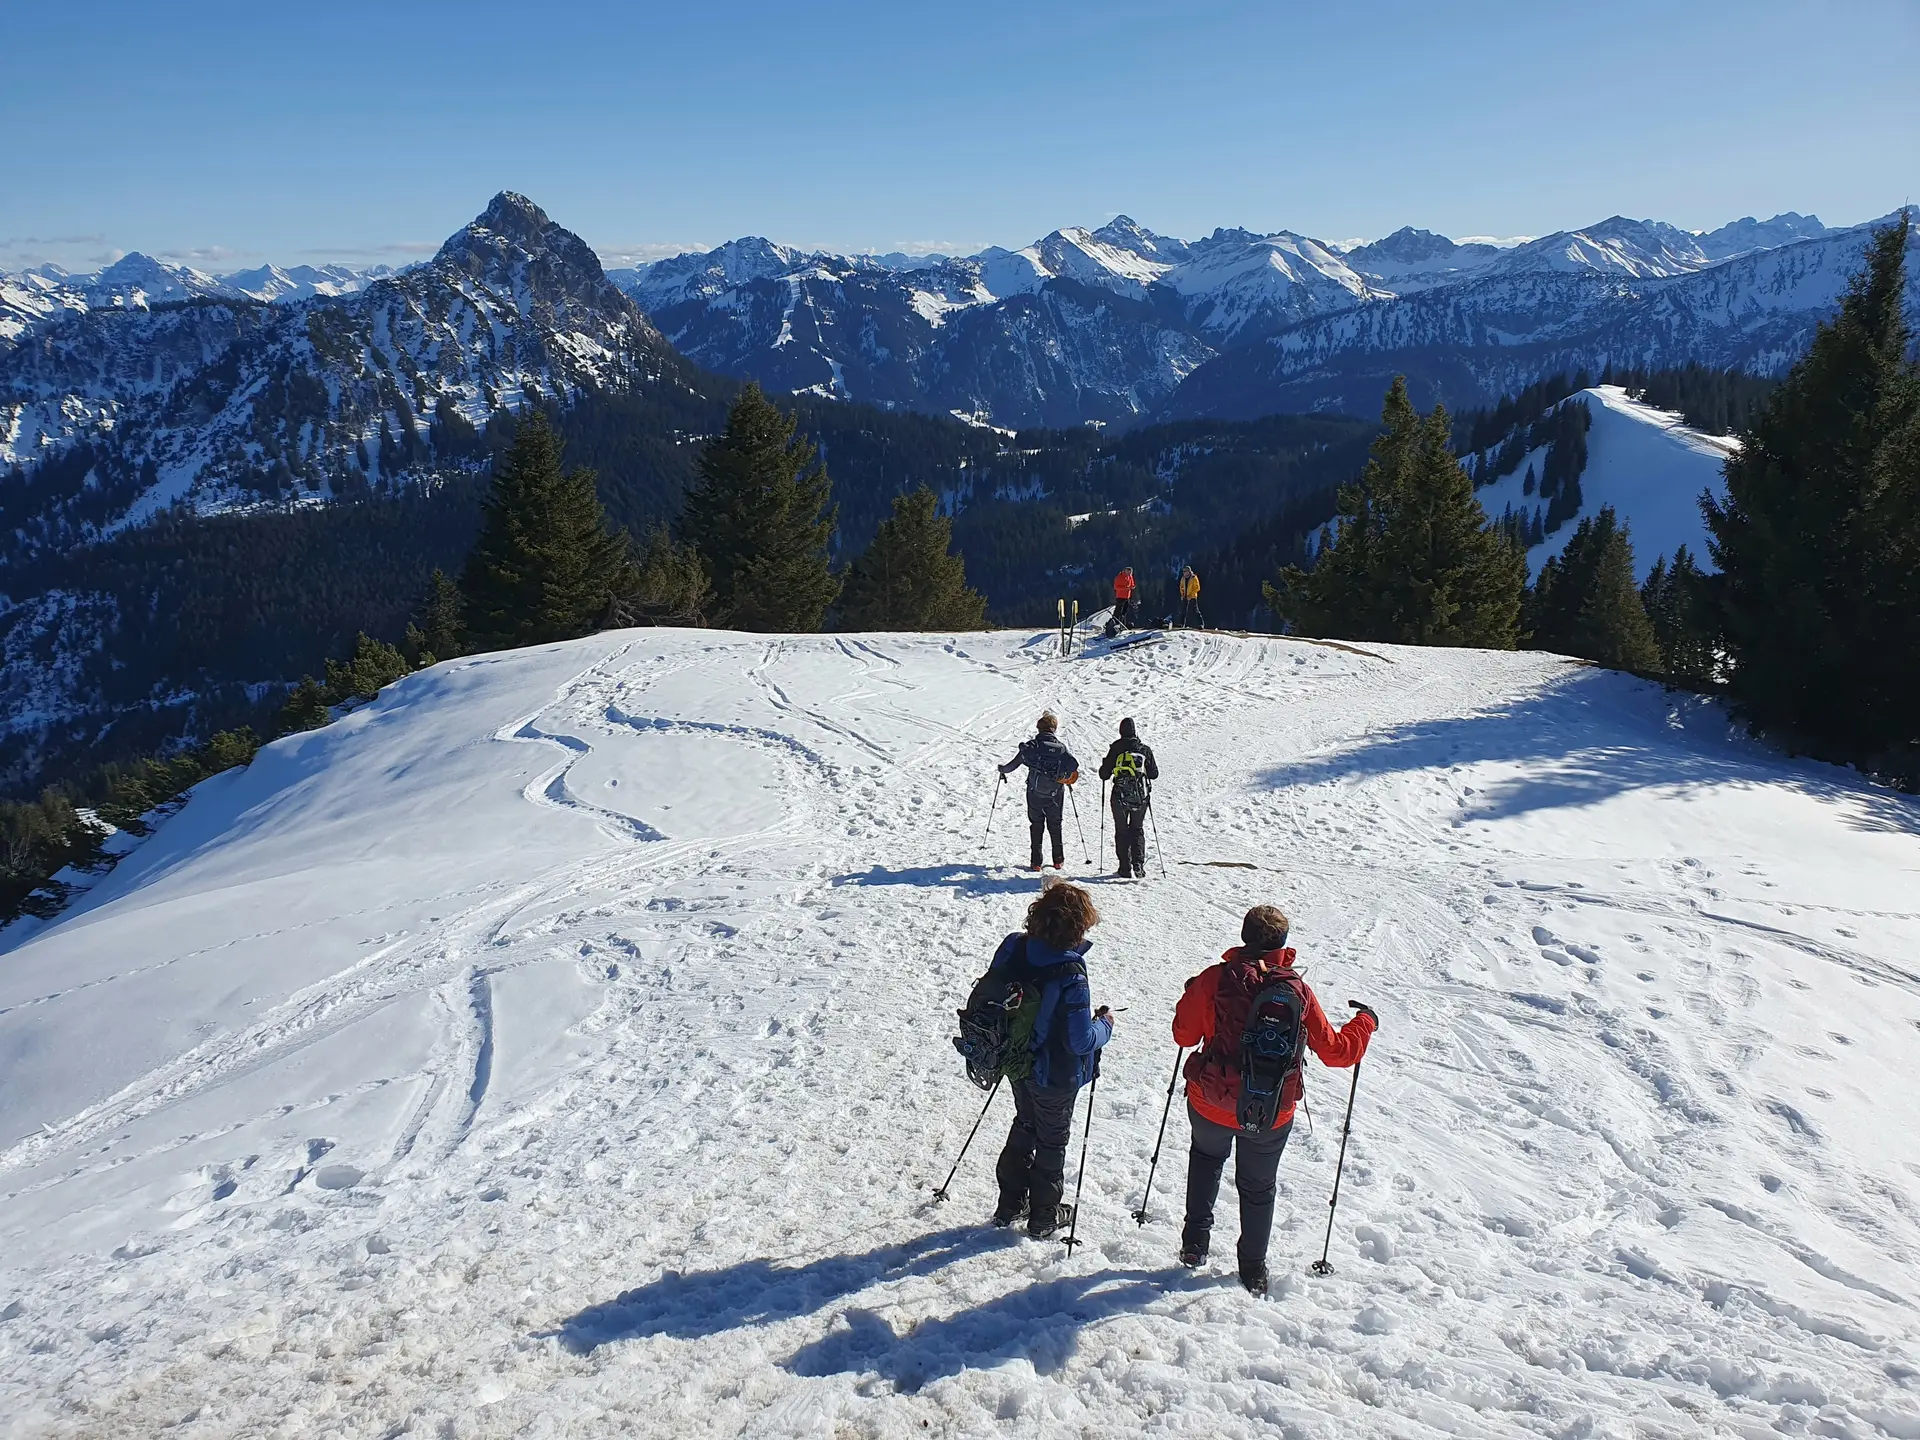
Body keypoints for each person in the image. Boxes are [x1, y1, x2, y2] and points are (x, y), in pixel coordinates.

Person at [1172, 905, 1377, 1296]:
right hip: (1270, 1110)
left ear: (1244, 936)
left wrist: (1193, 996)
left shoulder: (1215, 978)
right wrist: (1365, 1022)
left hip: (1210, 1101)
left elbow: (1183, 1035)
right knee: (1258, 1186)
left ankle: (1195, 1244)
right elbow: (1337, 1052)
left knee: (1206, 1159)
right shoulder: (1295, 990)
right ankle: (1252, 1269)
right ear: (1283, 944)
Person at [989, 881, 1114, 1236]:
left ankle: (1011, 1202)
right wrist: (1105, 1025)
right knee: (1052, 1139)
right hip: (1054, 1073)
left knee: (1025, 1122)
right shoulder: (1069, 971)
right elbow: (1080, 1040)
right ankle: (1044, 1215)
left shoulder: (1015, 946)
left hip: (1015, 1060)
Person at [998, 712, 1079, 870]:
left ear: (1039, 728)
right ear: (1054, 728)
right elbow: (1073, 766)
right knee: (1055, 825)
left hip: (1035, 793)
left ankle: (1036, 862)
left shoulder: (1032, 746)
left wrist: (1001, 769)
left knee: (1036, 825)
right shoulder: (1061, 748)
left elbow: (1012, 765)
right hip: (1055, 794)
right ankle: (1058, 860)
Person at [1097, 717, 1158, 878]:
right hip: (1140, 797)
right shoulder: (1144, 749)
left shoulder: (1116, 749)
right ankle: (1138, 864)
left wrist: (1106, 764)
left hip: (1119, 796)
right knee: (1137, 829)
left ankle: (1124, 867)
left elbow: (1104, 774)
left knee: (1121, 830)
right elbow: (1154, 774)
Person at [1110, 567, 1137, 632]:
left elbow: (1132, 583)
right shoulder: (1119, 577)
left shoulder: (1130, 576)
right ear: (1125, 571)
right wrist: (1126, 588)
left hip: (1127, 596)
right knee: (1118, 610)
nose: (1130, 574)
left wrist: (1132, 586)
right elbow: (1116, 587)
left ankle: (1122, 623)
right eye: (1129, 572)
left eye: (1130, 573)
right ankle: (1115, 622)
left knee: (1124, 611)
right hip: (1120, 596)